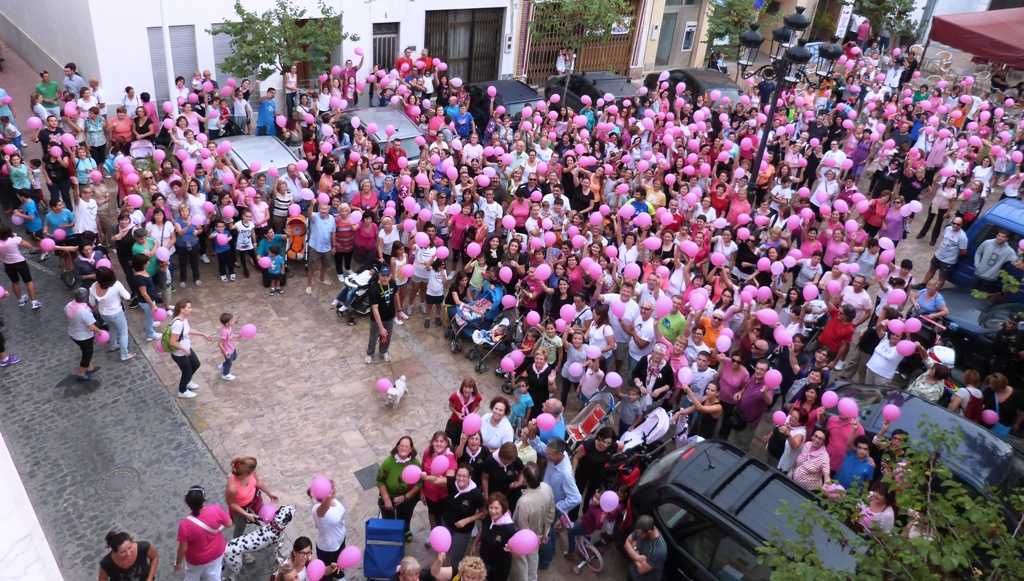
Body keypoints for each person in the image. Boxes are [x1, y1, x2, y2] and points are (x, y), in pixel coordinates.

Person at [174, 485, 231, 581]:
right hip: (217, 552)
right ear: (204, 499)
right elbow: (229, 524)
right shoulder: (215, 510)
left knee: (192, 576)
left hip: (196, 559)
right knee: (214, 574)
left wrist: (178, 563)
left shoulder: (185, 525)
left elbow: (183, 549)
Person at [510, 463, 555, 581]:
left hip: (527, 538)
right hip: (539, 535)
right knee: (533, 560)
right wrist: (545, 533)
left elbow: (521, 527)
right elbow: (551, 512)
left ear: (525, 479)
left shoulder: (523, 502)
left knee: (521, 564)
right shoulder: (547, 487)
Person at [376, 435, 422, 541]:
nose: (403, 448)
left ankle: (405, 530)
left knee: (406, 515)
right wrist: (386, 498)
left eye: (406, 446)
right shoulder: (388, 462)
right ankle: (391, 534)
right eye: (401, 446)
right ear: (397, 447)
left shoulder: (415, 463)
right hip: (390, 496)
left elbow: (420, 482)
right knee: (389, 518)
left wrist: (406, 497)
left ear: (411, 449)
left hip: (407, 496)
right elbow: (379, 481)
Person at [167, 300, 213, 398]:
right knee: (187, 372)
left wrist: (203, 334)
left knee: (196, 364)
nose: (190, 309)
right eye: (188, 307)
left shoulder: (184, 319)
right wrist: (185, 349)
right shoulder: (178, 323)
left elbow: (187, 330)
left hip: (186, 349)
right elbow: (172, 342)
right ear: (182, 310)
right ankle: (182, 391)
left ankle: (187, 381)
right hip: (180, 354)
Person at [225, 456, 279, 539]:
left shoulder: (251, 472)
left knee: (263, 516)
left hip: (255, 500)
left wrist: (269, 494)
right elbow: (232, 504)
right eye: (253, 471)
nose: (254, 471)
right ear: (246, 473)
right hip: (241, 509)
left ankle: (269, 535)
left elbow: (258, 482)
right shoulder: (232, 487)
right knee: (240, 526)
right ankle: (236, 541)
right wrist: (246, 514)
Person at [442, 464, 485, 568]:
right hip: (446, 523)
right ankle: (444, 568)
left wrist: (467, 520)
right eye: (459, 475)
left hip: (462, 531)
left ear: (469, 477)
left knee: (456, 558)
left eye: (464, 476)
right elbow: (436, 480)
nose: (461, 478)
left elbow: (483, 513)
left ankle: (454, 573)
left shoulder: (476, 494)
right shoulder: (452, 482)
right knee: (444, 551)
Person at [88, 266, 134, 362]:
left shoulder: (93, 286)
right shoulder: (116, 285)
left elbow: (91, 302)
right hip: (116, 313)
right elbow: (127, 296)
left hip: (103, 313)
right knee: (123, 332)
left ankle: (113, 345)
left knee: (112, 328)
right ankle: (124, 354)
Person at [311, 478, 347, 580]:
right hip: (328, 548)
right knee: (327, 573)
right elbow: (324, 509)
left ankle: (338, 575)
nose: (333, 489)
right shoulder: (317, 509)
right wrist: (328, 496)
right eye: (330, 488)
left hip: (340, 541)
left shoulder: (335, 501)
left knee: (339, 564)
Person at [476, 492, 516, 581]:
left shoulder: (509, 528)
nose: (493, 511)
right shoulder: (488, 518)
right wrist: (475, 544)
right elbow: (482, 530)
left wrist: (510, 548)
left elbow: (514, 549)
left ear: (503, 508)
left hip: (499, 568)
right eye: (491, 507)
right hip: (484, 561)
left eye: (496, 508)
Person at [367, 265, 401, 364]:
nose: (385, 278)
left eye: (387, 275)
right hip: (376, 320)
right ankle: (370, 353)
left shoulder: (392, 283)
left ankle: (384, 351)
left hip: (389, 317)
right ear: (379, 275)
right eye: (383, 275)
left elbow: (396, 294)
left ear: (390, 275)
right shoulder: (374, 288)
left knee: (387, 337)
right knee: (373, 337)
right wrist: (381, 327)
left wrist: (399, 310)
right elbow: (375, 309)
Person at [66, 287, 102, 381]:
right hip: (84, 337)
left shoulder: (69, 305)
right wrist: (100, 332)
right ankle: (81, 373)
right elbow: (91, 326)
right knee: (87, 354)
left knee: (84, 350)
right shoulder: (84, 311)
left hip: (73, 333)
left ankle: (90, 367)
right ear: (85, 298)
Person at [623, 515, 667, 581]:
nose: (638, 535)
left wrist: (632, 548)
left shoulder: (659, 551)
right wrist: (637, 556)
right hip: (632, 573)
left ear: (649, 532)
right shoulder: (642, 528)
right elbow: (626, 544)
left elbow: (640, 569)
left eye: (640, 534)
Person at [445, 378, 482, 445]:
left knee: (464, 442)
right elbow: (450, 406)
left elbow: (478, 406)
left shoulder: (476, 397)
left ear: (473, 389)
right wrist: (457, 413)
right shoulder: (455, 396)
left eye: (470, 387)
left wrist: (472, 414)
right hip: (455, 421)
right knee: (451, 440)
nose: (467, 390)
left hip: (468, 424)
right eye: (465, 387)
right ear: (462, 387)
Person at [217, 312, 239, 381]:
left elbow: (231, 334)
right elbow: (219, 344)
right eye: (232, 320)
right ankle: (225, 374)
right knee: (229, 363)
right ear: (227, 323)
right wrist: (225, 352)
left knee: (234, 357)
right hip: (228, 351)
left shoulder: (229, 327)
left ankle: (223, 365)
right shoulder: (224, 332)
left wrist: (235, 321)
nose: (233, 321)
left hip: (232, 347)